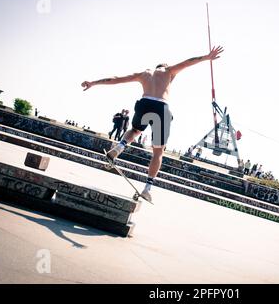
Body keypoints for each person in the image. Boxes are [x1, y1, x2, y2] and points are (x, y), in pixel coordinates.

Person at [82, 46, 224, 202]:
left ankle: (119, 147)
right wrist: (206, 57)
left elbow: (116, 79)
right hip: (160, 108)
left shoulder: (144, 74)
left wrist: (93, 83)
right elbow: (187, 63)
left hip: (144, 104)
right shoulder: (169, 71)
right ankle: (147, 188)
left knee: (135, 130)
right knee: (158, 152)